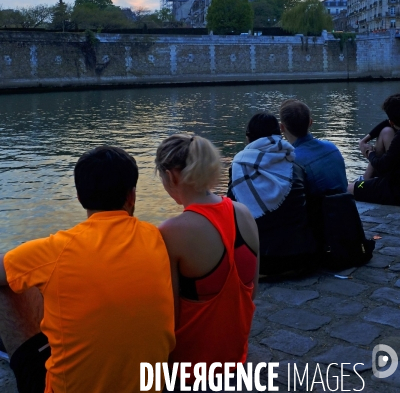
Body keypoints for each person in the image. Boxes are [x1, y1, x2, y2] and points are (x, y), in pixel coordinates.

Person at [0, 145, 175, 393]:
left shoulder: (54, 250)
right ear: (132, 196)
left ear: (80, 198)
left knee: (13, 283)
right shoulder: (154, 236)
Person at [156, 134, 258, 389]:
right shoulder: (243, 212)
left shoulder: (171, 232)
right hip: (234, 357)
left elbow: (168, 318)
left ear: (172, 176)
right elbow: (252, 290)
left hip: (190, 369)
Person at [228, 112, 317, 279]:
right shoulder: (295, 165)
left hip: (262, 262)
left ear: (249, 138)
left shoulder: (239, 166)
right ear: (279, 135)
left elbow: (232, 212)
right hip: (301, 257)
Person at [279, 99, 348, 196]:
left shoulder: (291, 162)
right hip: (346, 207)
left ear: (282, 127)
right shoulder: (332, 147)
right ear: (310, 122)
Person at [350, 94, 400, 205]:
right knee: (385, 131)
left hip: (394, 188)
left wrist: (369, 152)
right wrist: (364, 140)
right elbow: (386, 123)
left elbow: (382, 165)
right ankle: (365, 180)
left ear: (392, 122)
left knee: (348, 188)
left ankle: (363, 183)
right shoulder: (393, 128)